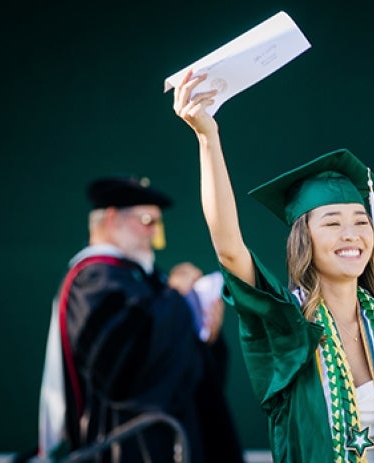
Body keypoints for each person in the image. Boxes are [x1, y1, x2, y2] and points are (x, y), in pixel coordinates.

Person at [172, 70, 374, 462]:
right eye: (332, 223)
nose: (351, 234)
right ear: (305, 241)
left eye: (360, 220)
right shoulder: (288, 332)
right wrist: (206, 137)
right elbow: (231, 251)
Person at [37, 175, 243, 463]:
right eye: (148, 221)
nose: (155, 234)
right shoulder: (94, 279)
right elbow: (119, 368)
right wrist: (175, 296)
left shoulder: (142, 277)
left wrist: (207, 336)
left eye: (158, 225)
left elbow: (178, 362)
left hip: (170, 436)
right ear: (111, 218)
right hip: (125, 441)